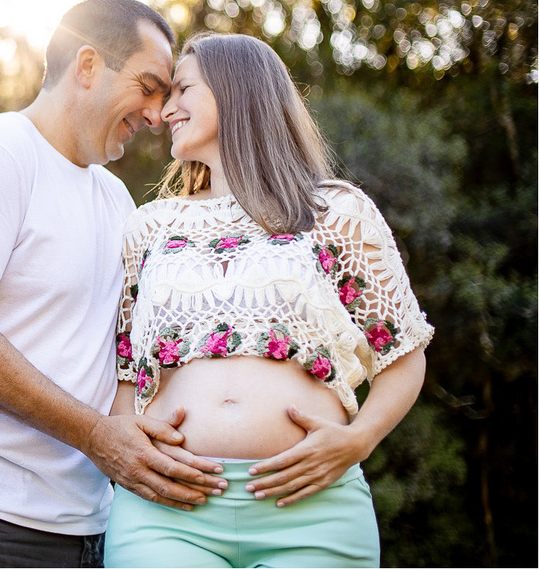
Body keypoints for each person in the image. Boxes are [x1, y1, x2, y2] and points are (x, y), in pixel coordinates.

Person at [0, 0, 230, 569]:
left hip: (86, 526)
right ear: (87, 66)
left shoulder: (115, 199)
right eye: (148, 87)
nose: (157, 113)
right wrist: (95, 435)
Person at [106, 32, 434, 568]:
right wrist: (133, 455)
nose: (165, 111)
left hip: (313, 511)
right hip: (166, 513)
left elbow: (403, 354)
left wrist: (361, 439)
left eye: (183, 89)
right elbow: (126, 371)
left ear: (237, 90)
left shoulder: (334, 212)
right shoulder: (148, 227)